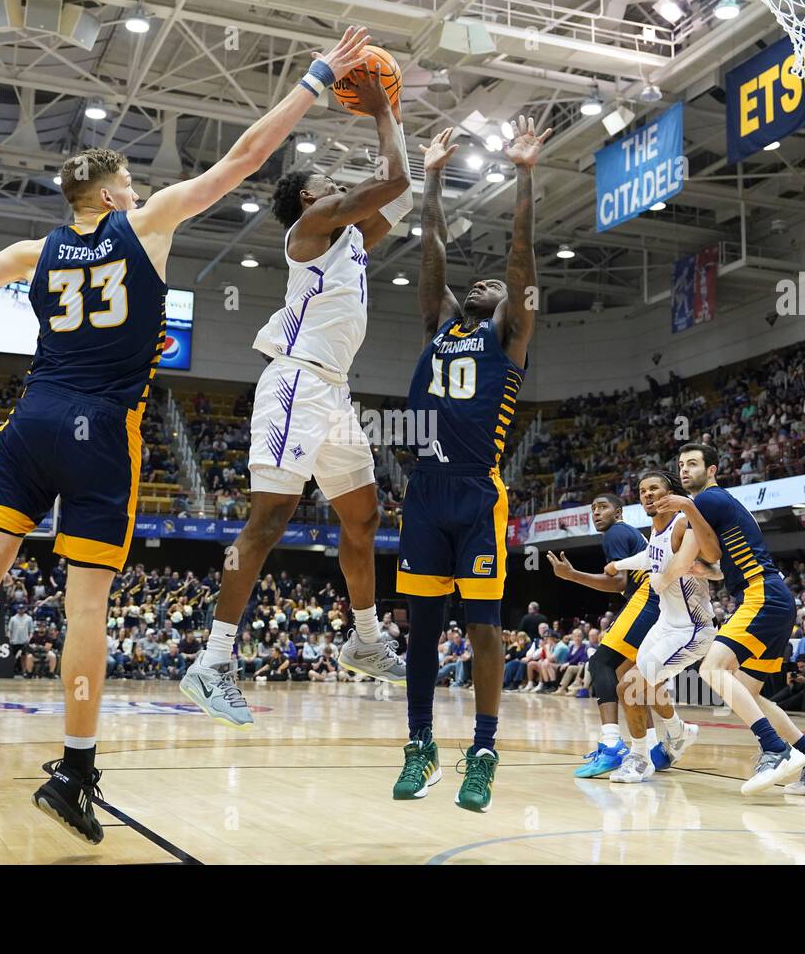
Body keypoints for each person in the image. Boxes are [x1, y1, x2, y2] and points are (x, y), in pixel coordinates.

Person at [0, 26, 376, 845]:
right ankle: (76, 771)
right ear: (118, 195)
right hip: (101, 431)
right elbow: (240, 159)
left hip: (31, 421)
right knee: (86, 604)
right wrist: (313, 78)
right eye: (134, 181)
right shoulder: (148, 222)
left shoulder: (37, 248)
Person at [184, 57, 411, 730]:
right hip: (295, 382)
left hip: (333, 394)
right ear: (311, 201)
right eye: (329, 183)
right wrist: (380, 110)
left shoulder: (351, 239)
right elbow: (391, 180)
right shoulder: (308, 232)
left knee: (364, 520)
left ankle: (365, 641)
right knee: (270, 521)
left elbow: (399, 194)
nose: (339, 186)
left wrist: (422, 142)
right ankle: (213, 660)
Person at [391, 117, 550, 813]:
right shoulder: (438, 326)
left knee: (483, 628)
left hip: (476, 496)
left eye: (499, 284)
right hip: (424, 493)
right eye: (474, 281)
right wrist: (429, 177)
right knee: (421, 630)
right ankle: (419, 744)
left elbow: (520, 255)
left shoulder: (510, 338)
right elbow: (430, 250)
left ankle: (483, 750)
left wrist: (524, 173)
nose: (487, 281)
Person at [656, 443, 805, 796]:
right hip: (772, 597)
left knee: (712, 669)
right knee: (751, 696)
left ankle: (774, 749)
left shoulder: (708, 500)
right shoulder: (710, 506)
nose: (684, 470)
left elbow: (693, 557)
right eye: (680, 464)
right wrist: (704, 565)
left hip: (762, 595)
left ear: (712, 470)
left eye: (693, 464)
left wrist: (658, 577)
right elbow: (715, 558)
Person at [603, 471, 718, 782]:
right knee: (646, 685)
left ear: (671, 493)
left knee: (630, 685)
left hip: (692, 629)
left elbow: (716, 566)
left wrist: (697, 572)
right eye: (642, 491)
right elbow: (650, 558)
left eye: (654, 488)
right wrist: (619, 565)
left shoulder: (683, 524)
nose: (647, 494)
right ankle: (679, 732)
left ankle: (640, 758)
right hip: (666, 624)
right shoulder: (656, 530)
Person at [547, 491, 667, 779]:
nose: (596, 512)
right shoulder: (627, 533)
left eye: (602, 507)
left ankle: (612, 744)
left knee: (600, 663)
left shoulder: (615, 532)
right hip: (654, 603)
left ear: (619, 512)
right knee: (629, 679)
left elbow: (618, 583)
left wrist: (572, 575)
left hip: (646, 600)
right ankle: (652, 748)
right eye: (592, 508)